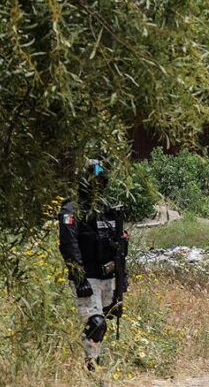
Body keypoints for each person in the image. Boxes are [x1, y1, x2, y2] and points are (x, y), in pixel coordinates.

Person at [58, 158, 129, 371]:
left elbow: (120, 247)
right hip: (87, 277)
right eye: (93, 179)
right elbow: (69, 246)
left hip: (109, 276)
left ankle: (97, 364)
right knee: (96, 324)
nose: (97, 184)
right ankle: (91, 370)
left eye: (101, 180)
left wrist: (122, 278)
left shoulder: (109, 211)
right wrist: (79, 278)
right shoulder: (71, 210)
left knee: (105, 322)